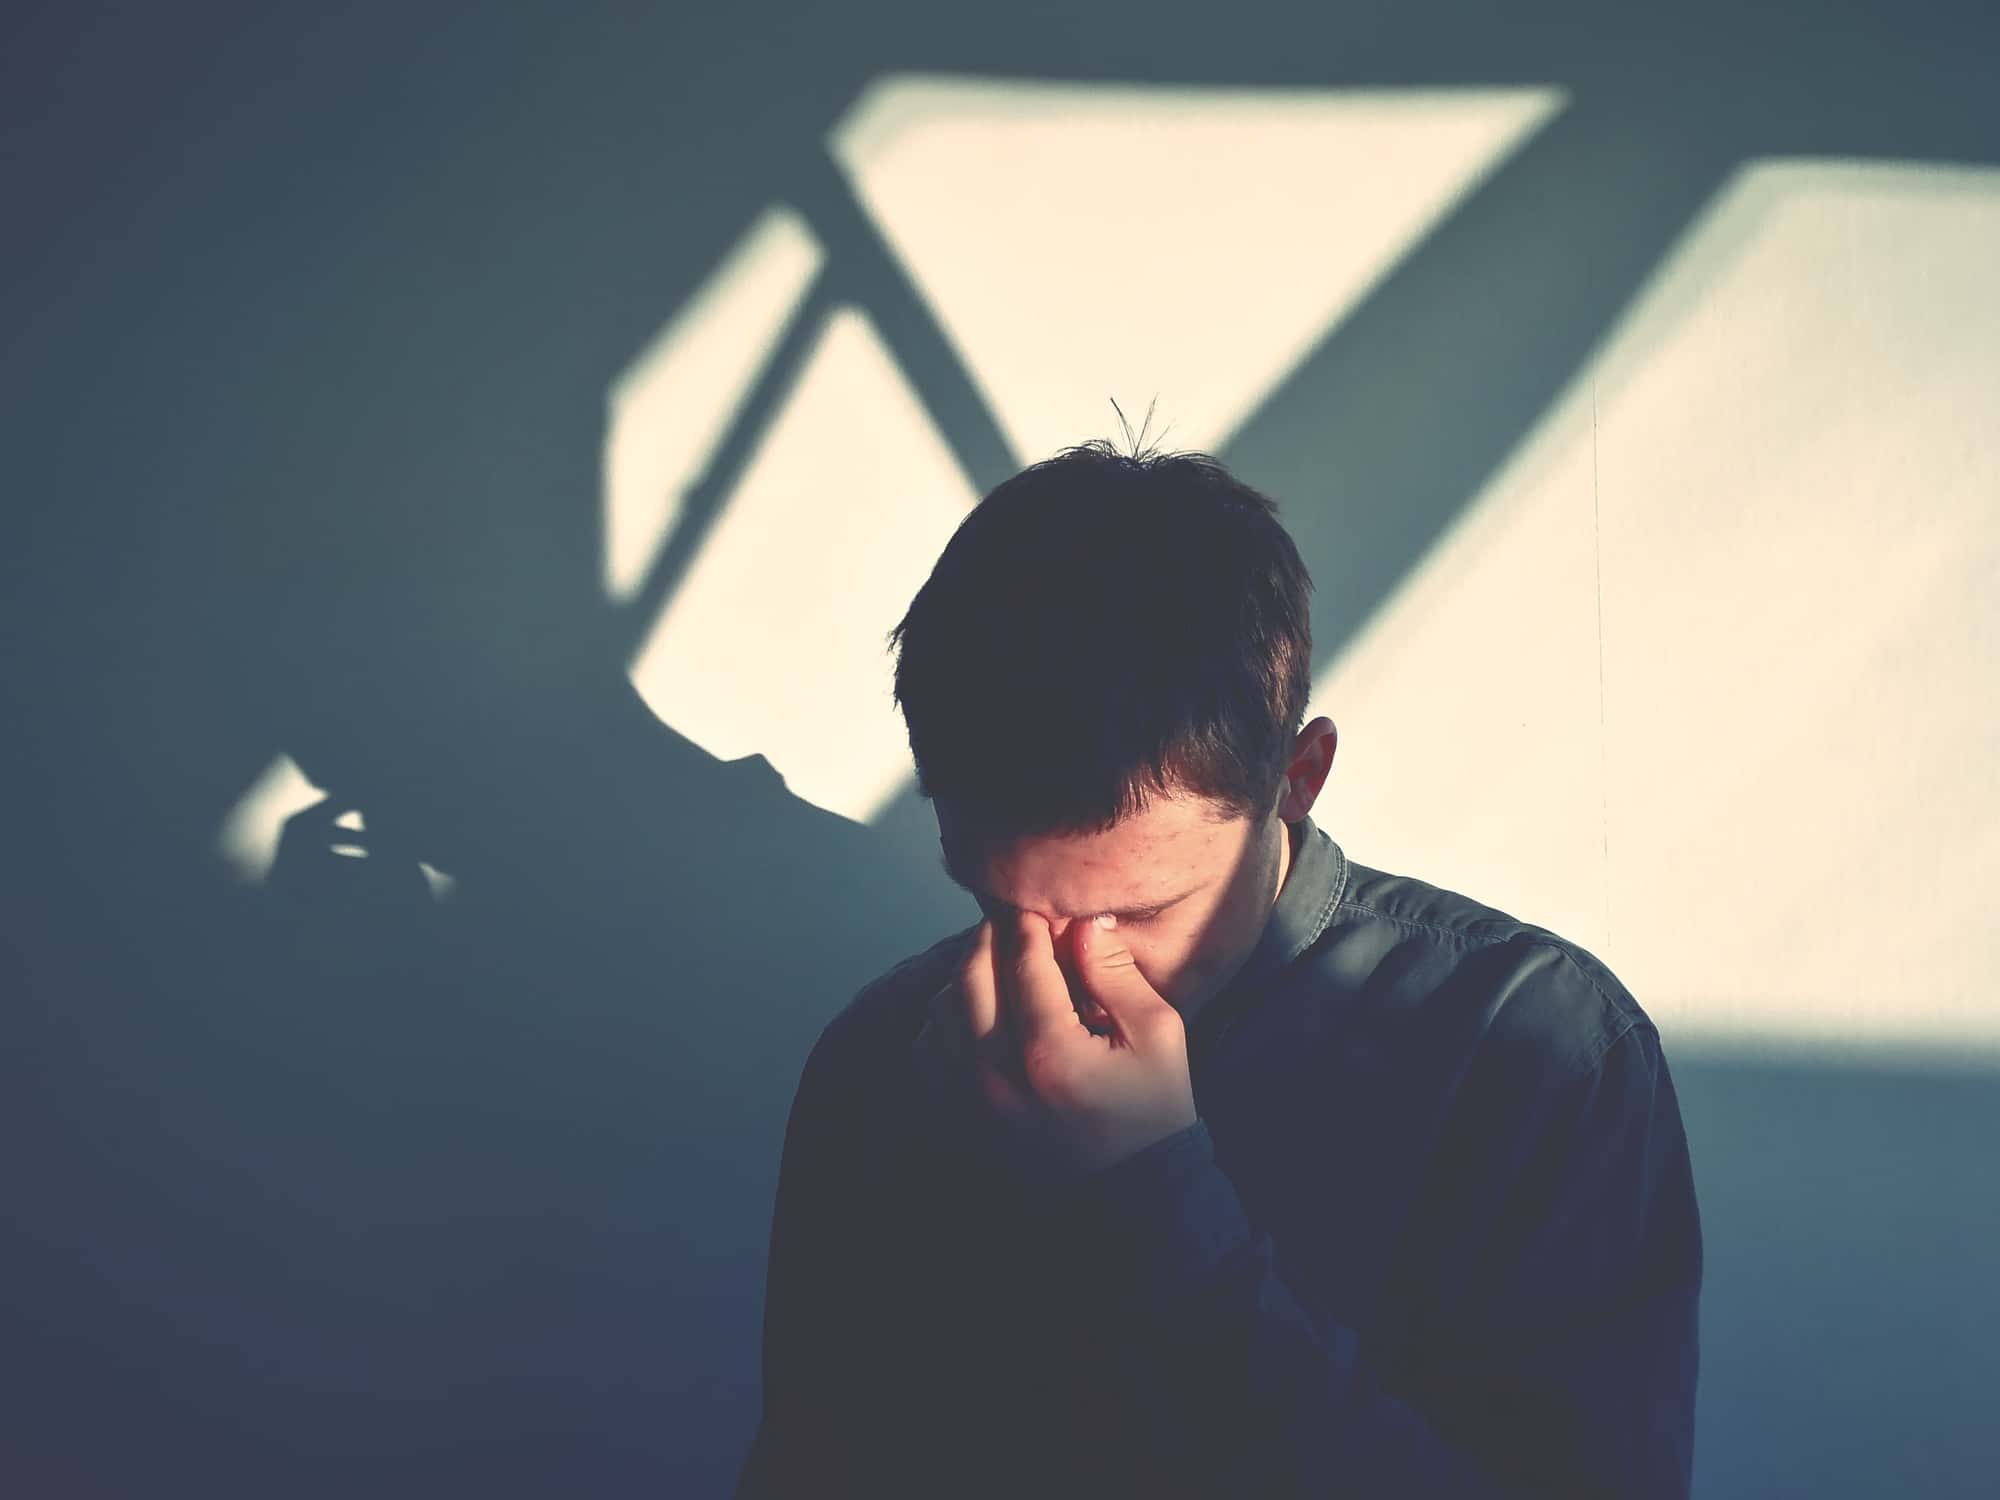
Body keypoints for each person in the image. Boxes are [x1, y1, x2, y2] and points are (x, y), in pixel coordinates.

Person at [735, 442, 1701, 1498]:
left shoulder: (1536, 1053)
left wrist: (1149, 1203)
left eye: (1139, 911)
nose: (1052, 966)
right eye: (994, 898)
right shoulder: (883, 1051)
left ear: (1297, 778)